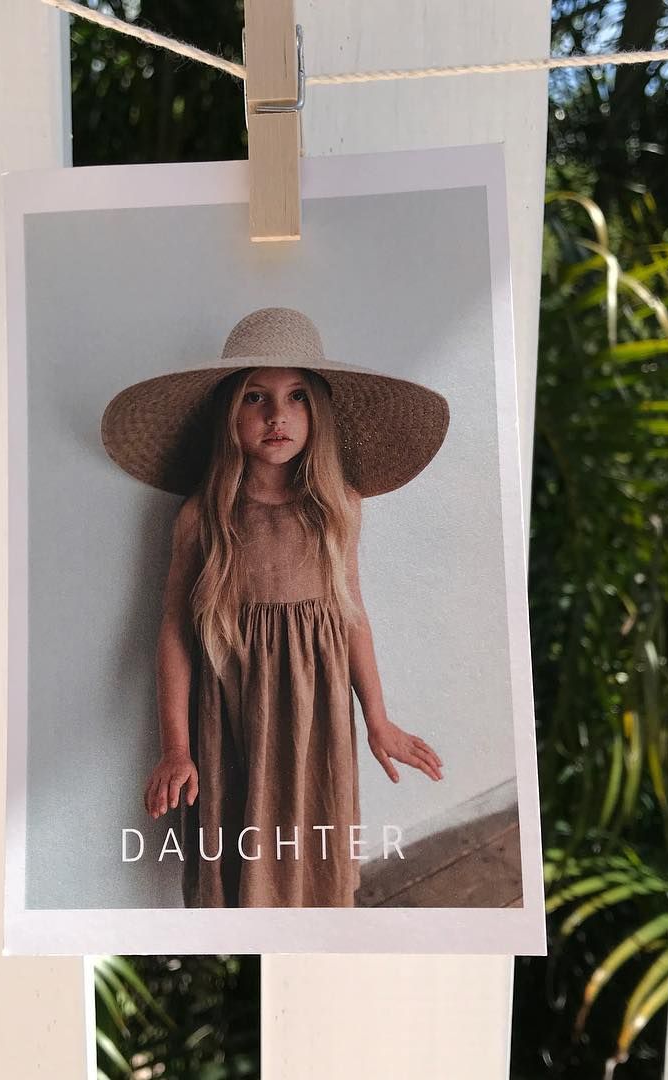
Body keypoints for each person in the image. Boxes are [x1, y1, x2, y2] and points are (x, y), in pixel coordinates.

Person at [101, 307, 450, 907]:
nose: (276, 416)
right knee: (237, 852)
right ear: (228, 415)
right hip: (232, 714)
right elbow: (174, 635)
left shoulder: (337, 506)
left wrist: (379, 720)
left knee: (314, 839)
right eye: (255, 397)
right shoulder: (201, 517)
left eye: (296, 398)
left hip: (315, 716)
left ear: (317, 413)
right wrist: (176, 748)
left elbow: (351, 616)